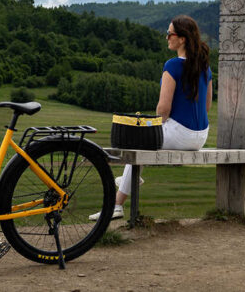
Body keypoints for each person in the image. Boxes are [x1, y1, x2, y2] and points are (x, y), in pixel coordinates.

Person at [90, 15, 212, 221]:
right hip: (201, 136)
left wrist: (152, 129)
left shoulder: (172, 65)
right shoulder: (205, 67)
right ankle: (129, 180)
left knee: (137, 143)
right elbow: (207, 106)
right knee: (142, 145)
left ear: (182, 39)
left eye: (170, 33)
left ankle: (117, 205)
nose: (166, 37)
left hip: (180, 134)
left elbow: (163, 109)